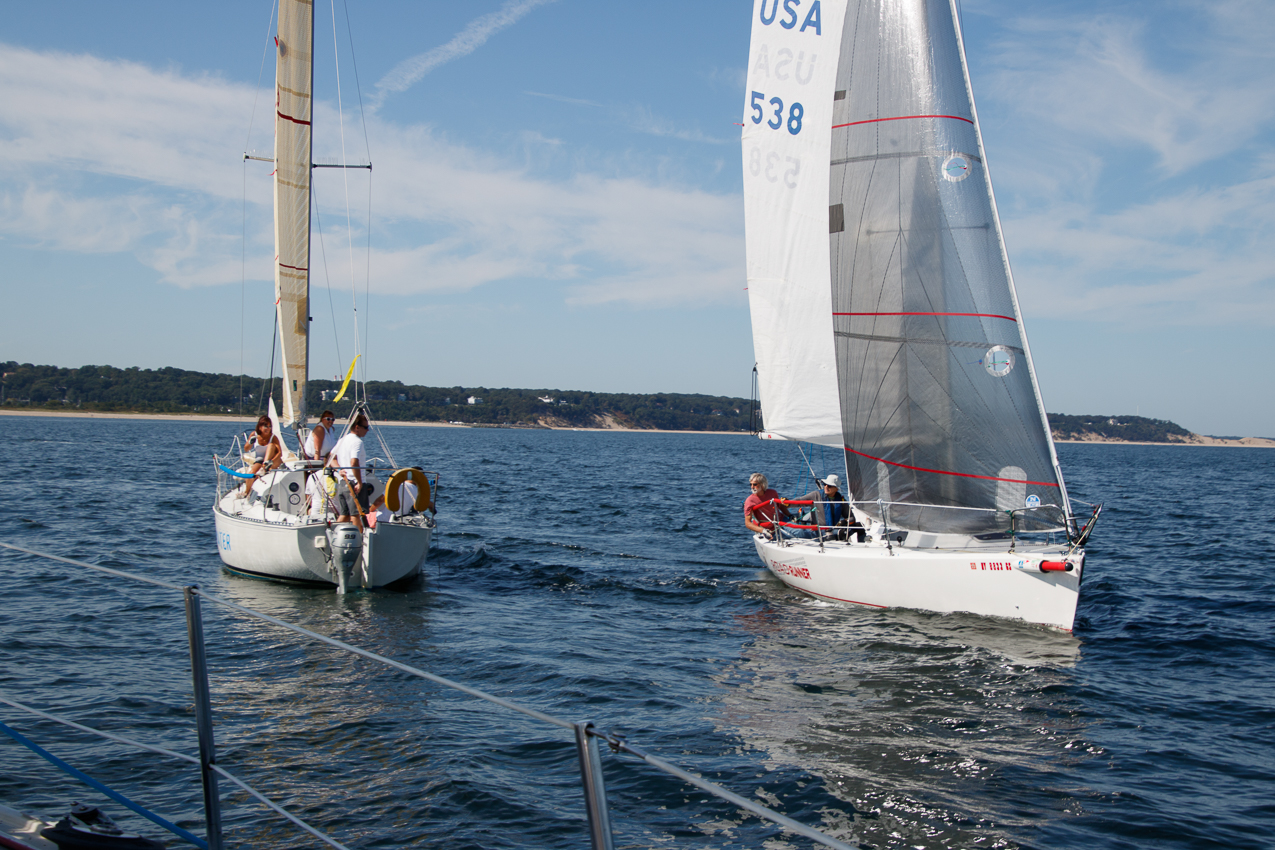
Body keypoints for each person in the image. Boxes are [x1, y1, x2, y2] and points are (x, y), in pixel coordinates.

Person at [329, 414, 373, 530]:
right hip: (354, 483)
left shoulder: (342, 440)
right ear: (357, 427)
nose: (367, 430)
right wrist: (359, 482)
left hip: (343, 483)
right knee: (356, 515)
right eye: (365, 427)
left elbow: (331, 458)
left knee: (344, 514)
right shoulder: (357, 442)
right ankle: (360, 540)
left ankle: (333, 535)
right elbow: (354, 462)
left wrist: (339, 470)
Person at [796, 473, 864, 541]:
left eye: (829, 486)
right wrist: (786, 503)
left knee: (859, 527)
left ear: (836, 489)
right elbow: (799, 501)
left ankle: (862, 546)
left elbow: (851, 517)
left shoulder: (841, 500)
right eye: (825, 484)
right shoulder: (816, 496)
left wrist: (843, 522)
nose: (826, 487)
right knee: (833, 535)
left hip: (834, 529)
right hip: (818, 531)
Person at [241, 415, 283, 496]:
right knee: (251, 473)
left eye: (270, 426)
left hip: (272, 460)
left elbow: (280, 453)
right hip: (260, 460)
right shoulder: (254, 434)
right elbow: (246, 449)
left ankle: (264, 468)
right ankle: (246, 492)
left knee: (271, 445)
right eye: (266, 426)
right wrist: (250, 442)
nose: (268, 428)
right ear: (260, 427)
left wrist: (272, 461)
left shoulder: (273, 437)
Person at [744, 473, 791, 539]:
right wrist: (763, 531)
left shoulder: (773, 493)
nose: (752, 487)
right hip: (767, 528)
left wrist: (790, 515)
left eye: (755, 484)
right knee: (785, 538)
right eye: (751, 484)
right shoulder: (749, 500)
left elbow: (780, 506)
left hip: (781, 520)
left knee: (801, 532)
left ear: (762, 485)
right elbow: (747, 523)